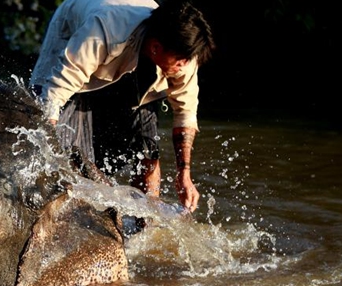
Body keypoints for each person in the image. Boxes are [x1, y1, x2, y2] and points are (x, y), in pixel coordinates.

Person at [30, 0, 215, 213]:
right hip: (74, 36)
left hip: (135, 63)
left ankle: (143, 225)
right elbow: (57, 89)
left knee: (148, 155)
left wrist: (185, 175)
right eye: (181, 61)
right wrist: (47, 144)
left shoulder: (185, 56)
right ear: (156, 48)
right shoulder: (103, 30)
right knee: (65, 159)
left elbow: (185, 113)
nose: (185, 66)